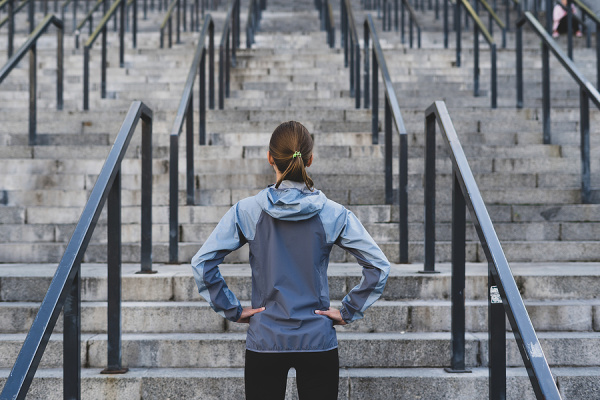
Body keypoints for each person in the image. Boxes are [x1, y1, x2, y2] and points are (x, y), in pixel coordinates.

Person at [191, 121, 390, 400]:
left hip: (265, 338)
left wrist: (232, 309)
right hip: (317, 339)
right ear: (310, 160)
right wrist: (349, 310)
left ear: (270, 157)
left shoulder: (247, 211)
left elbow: (202, 264)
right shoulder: (333, 213)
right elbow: (379, 267)